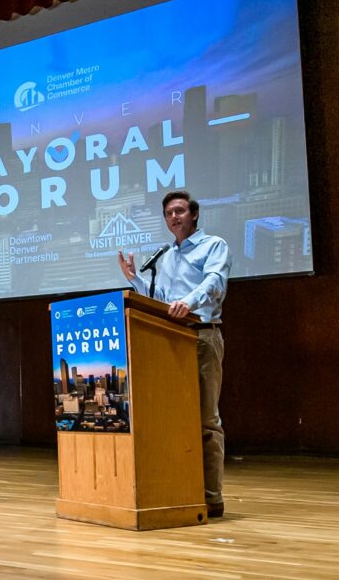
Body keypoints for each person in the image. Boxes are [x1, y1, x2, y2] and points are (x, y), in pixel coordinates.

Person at [116, 190, 231, 518]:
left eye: (180, 211)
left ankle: (212, 497)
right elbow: (160, 300)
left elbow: (214, 283)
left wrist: (189, 302)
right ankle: (179, 490)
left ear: (194, 214)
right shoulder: (164, 256)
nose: (174, 217)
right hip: (168, 340)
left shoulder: (214, 246)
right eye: (169, 213)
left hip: (202, 337)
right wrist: (135, 280)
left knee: (206, 420)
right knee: (170, 420)